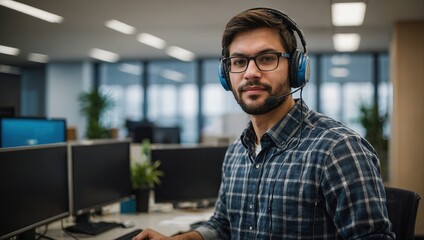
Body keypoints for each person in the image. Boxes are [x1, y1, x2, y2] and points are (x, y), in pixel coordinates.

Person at [134, 7, 395, 240]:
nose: (250, 72)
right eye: (238, 62)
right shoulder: (237, 152)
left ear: (296, 69)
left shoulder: (338, 150)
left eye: (267, 58)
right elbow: (224, 225)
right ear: (227, 76)